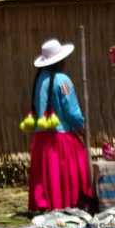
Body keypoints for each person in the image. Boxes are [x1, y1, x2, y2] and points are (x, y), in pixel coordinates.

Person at [25, 38, 93, 212]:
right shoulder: (62, 80)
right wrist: (81, 126)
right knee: (68, 171)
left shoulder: (39, 78)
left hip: (42, 139)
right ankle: (68, 203)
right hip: (60, 138)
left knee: (47, 174)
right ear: (60, 60)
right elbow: (71, 111)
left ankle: (46, 205)